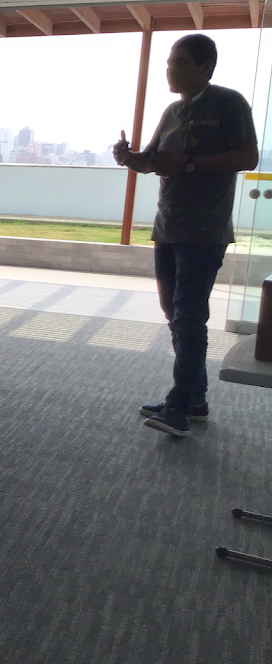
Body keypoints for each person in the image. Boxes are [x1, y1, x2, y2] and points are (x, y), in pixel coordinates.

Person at [114, 33, 258, 438]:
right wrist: (129, 158)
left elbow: (248, 157)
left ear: (205, 67)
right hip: (168, 228)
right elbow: (154, 160)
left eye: (179, 62)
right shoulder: (172, 111)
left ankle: (179, 406)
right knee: (174, 314)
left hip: (204, 229)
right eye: (168, 61)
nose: (169, 69)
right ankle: (196, 400)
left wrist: (190, 163)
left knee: (189, 315)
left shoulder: (228, 103)